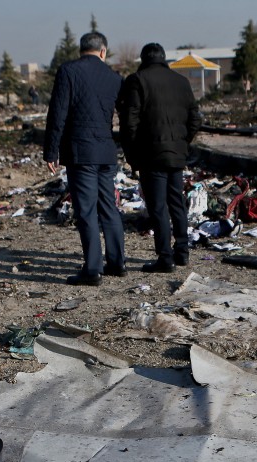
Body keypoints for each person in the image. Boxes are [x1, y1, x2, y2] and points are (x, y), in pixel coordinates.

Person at [43, 32, 126, 286]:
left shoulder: (68, 71)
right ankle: (117, 263)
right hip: (106, 152)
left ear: (81, 50)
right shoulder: (114, 78)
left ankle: (92, 270)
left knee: (87, 210)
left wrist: (51, 150)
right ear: (103, 51)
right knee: (109, 207)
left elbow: (58, 112)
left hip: (81, 153)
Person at [117, 43, 201, 273]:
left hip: (151, 156)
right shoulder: (181, 82)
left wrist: (132, 155)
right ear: (164, 58)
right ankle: (182, 252)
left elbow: (129, 123)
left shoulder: (138, 80)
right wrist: (183, 143)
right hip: (177, 155)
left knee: (158, 207)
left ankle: (165, 258)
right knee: (177, 203)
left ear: (143, 59)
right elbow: (195, 119)